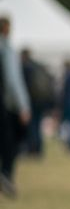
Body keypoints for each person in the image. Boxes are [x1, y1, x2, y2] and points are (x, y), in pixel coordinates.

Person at [0, 16, 31, 198]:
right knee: (9, 143)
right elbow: (13, 80)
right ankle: (6, 177)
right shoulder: (6, 49)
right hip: (5, 105)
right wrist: (23, 106)